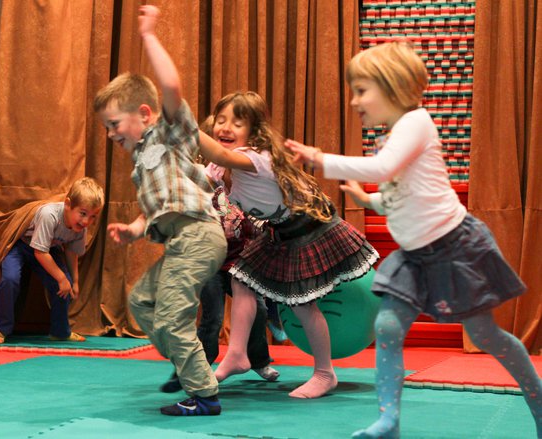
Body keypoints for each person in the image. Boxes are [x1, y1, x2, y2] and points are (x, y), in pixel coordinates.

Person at [285, 41, 542, 439]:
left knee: (486, 335)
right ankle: (389, 421)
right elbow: (392, 200)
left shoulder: (417, 122)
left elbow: (384, 167)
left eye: (362, 90)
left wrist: (321, 158)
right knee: (387, 326)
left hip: (455, 247)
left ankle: (538, 400)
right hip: (415, 256)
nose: (354, 102)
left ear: (394, 87)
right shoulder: (391, 139)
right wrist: (365, 199)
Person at [198, 91, 379, 399]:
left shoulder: (254, 158)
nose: (225, 128)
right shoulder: (229, 168)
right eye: (221, 120)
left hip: (308, 231)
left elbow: (222, 155)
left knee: (302, 303)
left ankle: (325, 373)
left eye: (236, 123)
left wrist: (178, 122)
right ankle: (238, 355)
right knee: (241, 279)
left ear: (253, 133)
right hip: (279, 232)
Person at [95, 5, 227, 416]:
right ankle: (188, 365)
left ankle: (204, 395)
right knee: (142, 302)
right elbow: (155, 208)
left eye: (115, 123)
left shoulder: (169, 134)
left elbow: (170, 84)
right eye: (106, 127)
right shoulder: (143, 162)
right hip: (180, 242)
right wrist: (135, 229)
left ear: (145, 115)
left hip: (199, 235)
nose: (111, 133)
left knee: (171, 316)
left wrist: (149, 35)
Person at [160, 116, 280, 394]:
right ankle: (193, 369)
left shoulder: (248, 176)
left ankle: (258, 360)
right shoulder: (207, 177)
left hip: (241, 258)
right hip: (212, 259)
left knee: (257, 311)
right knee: (211, 315)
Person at [0, 176, 104, 345]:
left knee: (65, 285)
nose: (87, 221)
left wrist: (74, 281)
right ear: (68, 204)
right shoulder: (49, 215)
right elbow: (39, 253)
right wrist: (62, 278)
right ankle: (1, 329)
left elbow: (71, 252)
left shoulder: (80, 228)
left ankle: (60, 331)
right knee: (10, 279)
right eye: (83, 213)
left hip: (48, 249)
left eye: (93, 216)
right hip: (22, 246)